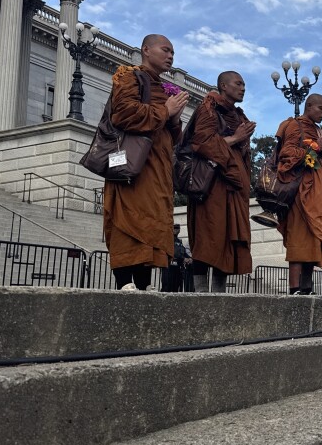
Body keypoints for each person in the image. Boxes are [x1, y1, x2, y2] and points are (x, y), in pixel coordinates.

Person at [103, 34, 188, 290]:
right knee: (129, 220)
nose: (171, 56)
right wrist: (165, 111)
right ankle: (124, 283)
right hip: (134, 166)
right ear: (146, 50)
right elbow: (124, 115)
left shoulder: (164, 89)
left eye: (173, 52)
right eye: (165, 50)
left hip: (158, 169)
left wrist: (174, 120)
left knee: (152, 224)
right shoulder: (129, 76)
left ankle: (142, 284)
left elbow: (172, 138)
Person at [187, 71, 255, 293]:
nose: (243, 88)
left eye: (244, 84)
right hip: (212, 185)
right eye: (238, 83)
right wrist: (236, 138)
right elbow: (202, 144)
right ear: (223, 86)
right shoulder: (209, 109)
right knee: (208, 237)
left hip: (234, 188)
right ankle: (200, 294)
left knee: (227, 239)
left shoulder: (238, 115)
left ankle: (219, 294)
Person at [276, 94, 322, 295]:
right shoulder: (295, 125)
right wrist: (317, 147)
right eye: (320, 108)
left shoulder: (320, 131)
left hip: (319, 191)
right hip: (301, 190)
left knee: (313, 240)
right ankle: (294, 288)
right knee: (299, 239)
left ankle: (307, 287)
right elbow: (287, 153)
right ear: (308, 106)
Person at [161, 223, 192, 292]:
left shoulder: (179, 241)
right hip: (169, 267)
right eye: (174, 228)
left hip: (178, 268)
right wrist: (183, 258)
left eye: (177, 229)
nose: (176, 230)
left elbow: (183, 251)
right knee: (167, 287)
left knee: (176, 288)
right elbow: (174, 252)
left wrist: (189, 258)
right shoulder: (167, 240)